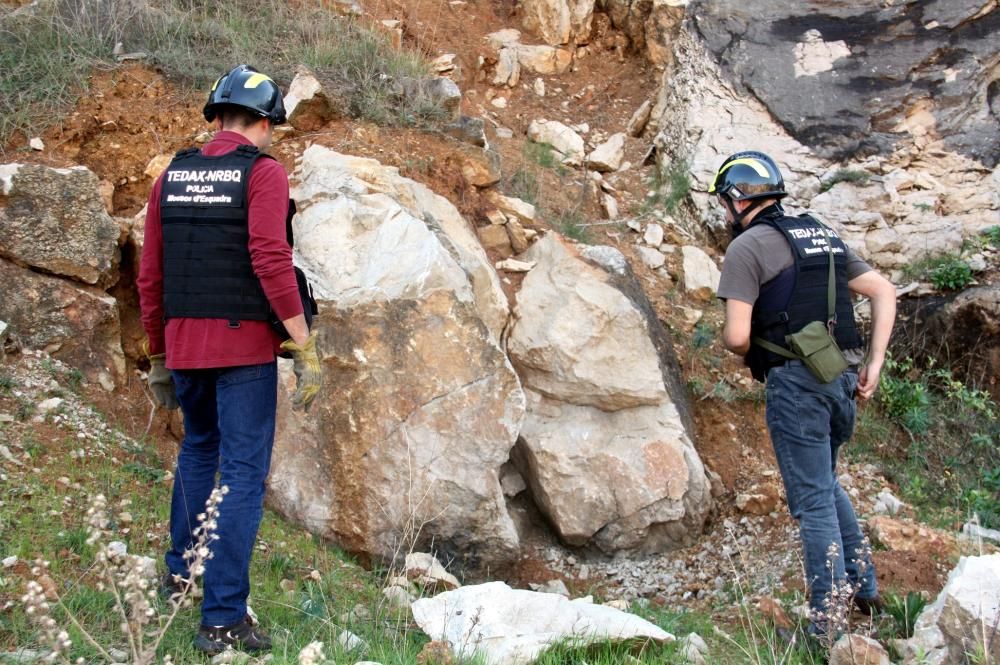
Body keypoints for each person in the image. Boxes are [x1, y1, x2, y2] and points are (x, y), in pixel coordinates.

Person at [137, 64, 322, 655]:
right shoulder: (263, 174)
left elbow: (151, 276)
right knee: (242, 474)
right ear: (264, 123)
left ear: (216, 116)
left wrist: (159, 353)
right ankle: (221, 618)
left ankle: (178, 576)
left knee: (198, 449)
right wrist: (304, 343)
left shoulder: (171, 175)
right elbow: (270, 258)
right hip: (243, 351)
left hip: (186, 346)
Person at [712, 151, 896, 637]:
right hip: (842, 378)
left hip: (797, 385)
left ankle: (827, 626)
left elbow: (736, 337)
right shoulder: (820, 234)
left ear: (737, 199)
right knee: (827, 484)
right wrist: (874, 363)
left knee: (813, 500)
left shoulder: (747, 249)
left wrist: (749, 342)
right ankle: (864, 589)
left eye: (724, 203)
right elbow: (883, 291)